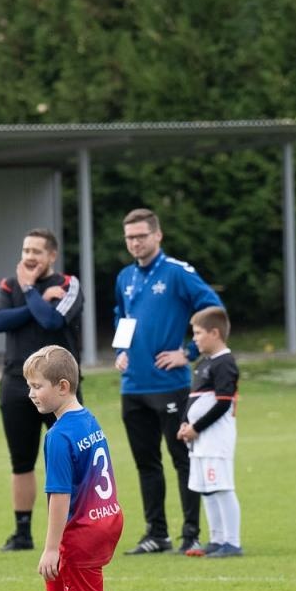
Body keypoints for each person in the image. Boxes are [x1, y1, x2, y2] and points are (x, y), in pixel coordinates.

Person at [112, 208, 224, 555]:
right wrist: (121, 349)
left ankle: (190, 532)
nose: (135, 243)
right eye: (130, 237)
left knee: (182, 458)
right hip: (133, 386)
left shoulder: (178, 273)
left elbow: (213, 308)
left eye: (141, 236)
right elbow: (122, 315)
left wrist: (188, 352)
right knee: (146, 462)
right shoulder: (125, 278)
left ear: (157, 236)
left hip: (170, 384)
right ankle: (156, 533)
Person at [20, 345, 125, 591]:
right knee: (58, 570)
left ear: (63, 386)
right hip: (107, 517)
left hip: (86, 529)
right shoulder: (88, 419)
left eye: (38, 386)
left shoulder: (59, 436)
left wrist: (51, 546)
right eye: (29, 386)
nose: (32, 393)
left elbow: (59, 496)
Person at [0, 228, 84, 552]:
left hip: (60, 387)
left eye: (37, 251)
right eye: (26, 249)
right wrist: (34, 298)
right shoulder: (7, 284)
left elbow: (52, 323)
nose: (29, 256)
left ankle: (80, 524)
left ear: (52, 256)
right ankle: (23, 532)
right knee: (22, 461)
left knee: (73, 456)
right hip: (15, 384)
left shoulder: (68, 284)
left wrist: (30, 293)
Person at [176, 307, 243, 558]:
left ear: (215, 333)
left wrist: (196, 427)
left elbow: (223, 403)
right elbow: (193, 400)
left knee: (222, 486)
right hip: (199, 441)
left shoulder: (225, 363)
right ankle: (216, 539)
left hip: (215, 440)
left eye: (198, 333)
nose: (194, 338)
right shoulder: (203, 363)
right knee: (206, 488)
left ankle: (232, 542)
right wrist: (185, 424)